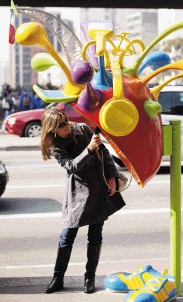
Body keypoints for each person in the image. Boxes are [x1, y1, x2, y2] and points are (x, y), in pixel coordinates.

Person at [41, 109, 125, 294]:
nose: (66, 126)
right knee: (66, 237)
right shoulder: (56, 146)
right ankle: (58, 278)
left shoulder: (82, 129)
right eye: (61, 125)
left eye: (66, 120)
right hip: (77, 193)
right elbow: (72, 167)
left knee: (95, 235)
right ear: (52, 129)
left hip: (98, 188)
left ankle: (89, 277)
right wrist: (88, 149)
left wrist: (112, 177)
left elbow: (104, 153)